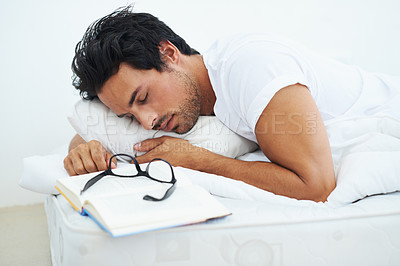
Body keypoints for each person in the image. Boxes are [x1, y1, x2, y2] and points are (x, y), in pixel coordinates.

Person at [64, 6, 399, 202]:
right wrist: (84, 144)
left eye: (142, 98)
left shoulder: (249, 68)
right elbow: (101, 126)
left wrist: (199, 161)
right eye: (128, 115)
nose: (146, 121)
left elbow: (317, 186)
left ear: (168, 54)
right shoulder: (198, 98)